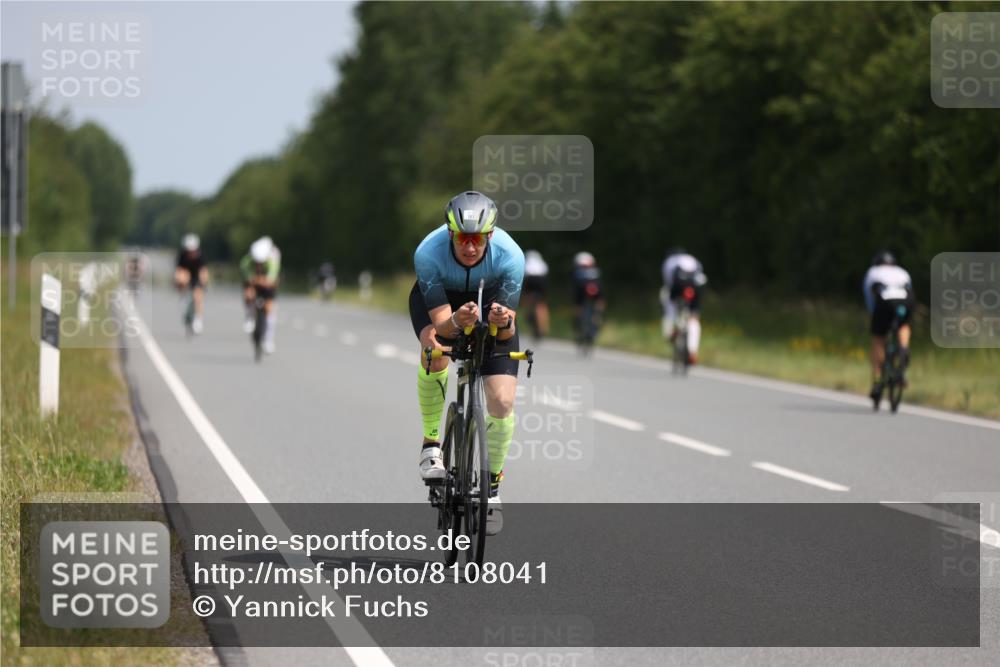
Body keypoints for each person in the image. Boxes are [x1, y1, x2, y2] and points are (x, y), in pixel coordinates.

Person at [412, 191, 525, 535]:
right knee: (434, 350)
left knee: (502, 401)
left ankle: (491, 488)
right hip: (444, 307)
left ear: (490, 235)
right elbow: (442, 325)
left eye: (477, 239)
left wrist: (503, 321)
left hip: (489, 307)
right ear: (451, 233)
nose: (471, 247)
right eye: (463, 238)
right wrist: (457, 323)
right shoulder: (428, 253)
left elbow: (506, 335)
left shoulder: (511, 257)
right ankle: (432, 445)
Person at [863, 250, 914, 402]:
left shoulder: (872, 272)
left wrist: (874, 316)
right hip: (906, 298)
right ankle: (903, 349)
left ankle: (878, 380)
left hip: (884, 299)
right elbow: (911, 290)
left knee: (878, 338)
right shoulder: (902, 272)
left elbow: (869, 296)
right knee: (903, 325)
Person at [661, 248, 707, 365]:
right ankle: (692, 352)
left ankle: (673, 330)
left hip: (678, 285)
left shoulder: (669, 262)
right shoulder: (693, 260)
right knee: (694, 318)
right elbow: (701, 277)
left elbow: (668, 283)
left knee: (670, 308)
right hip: (695, 287)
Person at [240, 236, 281, 354]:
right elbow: (248, 279)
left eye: (261, 262)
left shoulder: (273, 260)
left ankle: (269, 340)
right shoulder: (246, 261)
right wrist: (256, 280)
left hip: (267, 286)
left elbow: (271, 281)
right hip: (254, 283)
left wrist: (262, 280)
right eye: (256, 262)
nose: (258, 265)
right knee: (249, 294)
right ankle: (249, 316)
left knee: (269, 308)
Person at [174, 234, 209, 333]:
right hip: (186, 273)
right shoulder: (182, 255)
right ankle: (183, 297)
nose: (191, 253)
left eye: (192, 251)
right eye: (189, 251)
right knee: (182, 277)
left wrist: (203, 283)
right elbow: (178, 270)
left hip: (196, 275)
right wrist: (178, 281)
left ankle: (198, 319)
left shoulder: (201, 256)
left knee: (198, 296)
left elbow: (204, 271)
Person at [571, 252, 605, 352]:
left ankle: (579, 326)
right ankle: (597, 316)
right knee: (599, 300)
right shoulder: (596, 271)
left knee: (578, 307)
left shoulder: (577, 268)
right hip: (595, 285)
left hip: (581, 286)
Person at [522, 249, 550, 341]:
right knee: (541, 305)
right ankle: (544, 328)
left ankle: (529, 312)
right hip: (541, 282)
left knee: (529, 301)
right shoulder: (542, 264)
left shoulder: (526, 263)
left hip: (530, 280)